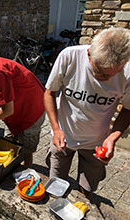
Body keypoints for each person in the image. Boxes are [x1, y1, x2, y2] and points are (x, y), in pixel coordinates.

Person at [44, 27, 130, 198]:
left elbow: (128, 108)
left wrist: (112, 137)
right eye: (100, 72)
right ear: (89, 54)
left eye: (110, 75)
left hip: (97, 143)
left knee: (88, 189)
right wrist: (55, 129)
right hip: (63, 137)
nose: (104, 79)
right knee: (56, 184)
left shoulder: (128, 72)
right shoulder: (69, 56)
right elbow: (49, 93)